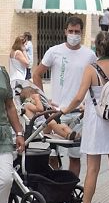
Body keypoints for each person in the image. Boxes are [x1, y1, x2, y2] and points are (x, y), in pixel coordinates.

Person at [57, 32, 109, 203]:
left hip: (96, 121)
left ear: (97, 47)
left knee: (93, 168)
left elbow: (80, 96)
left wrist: (64, 110)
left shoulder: (91, 69)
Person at [32, 15, 97, 177]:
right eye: (71, 31)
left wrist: (88, 104)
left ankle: (70, 194)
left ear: (81, 33)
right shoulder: (54, 52)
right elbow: (37, 74)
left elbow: (95, 82)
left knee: (75, 157)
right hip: (56, 114)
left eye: (77, 32)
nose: (74, 34)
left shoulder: (89, 55)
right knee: (52, 156)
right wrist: (45, 102)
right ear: (65, 31)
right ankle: (55, 191)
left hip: (78, 114)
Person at [0, 66, 25, 203]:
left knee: (6, 178)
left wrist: (19, 132)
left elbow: (9, 105)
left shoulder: (1, 72)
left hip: (3, 134)